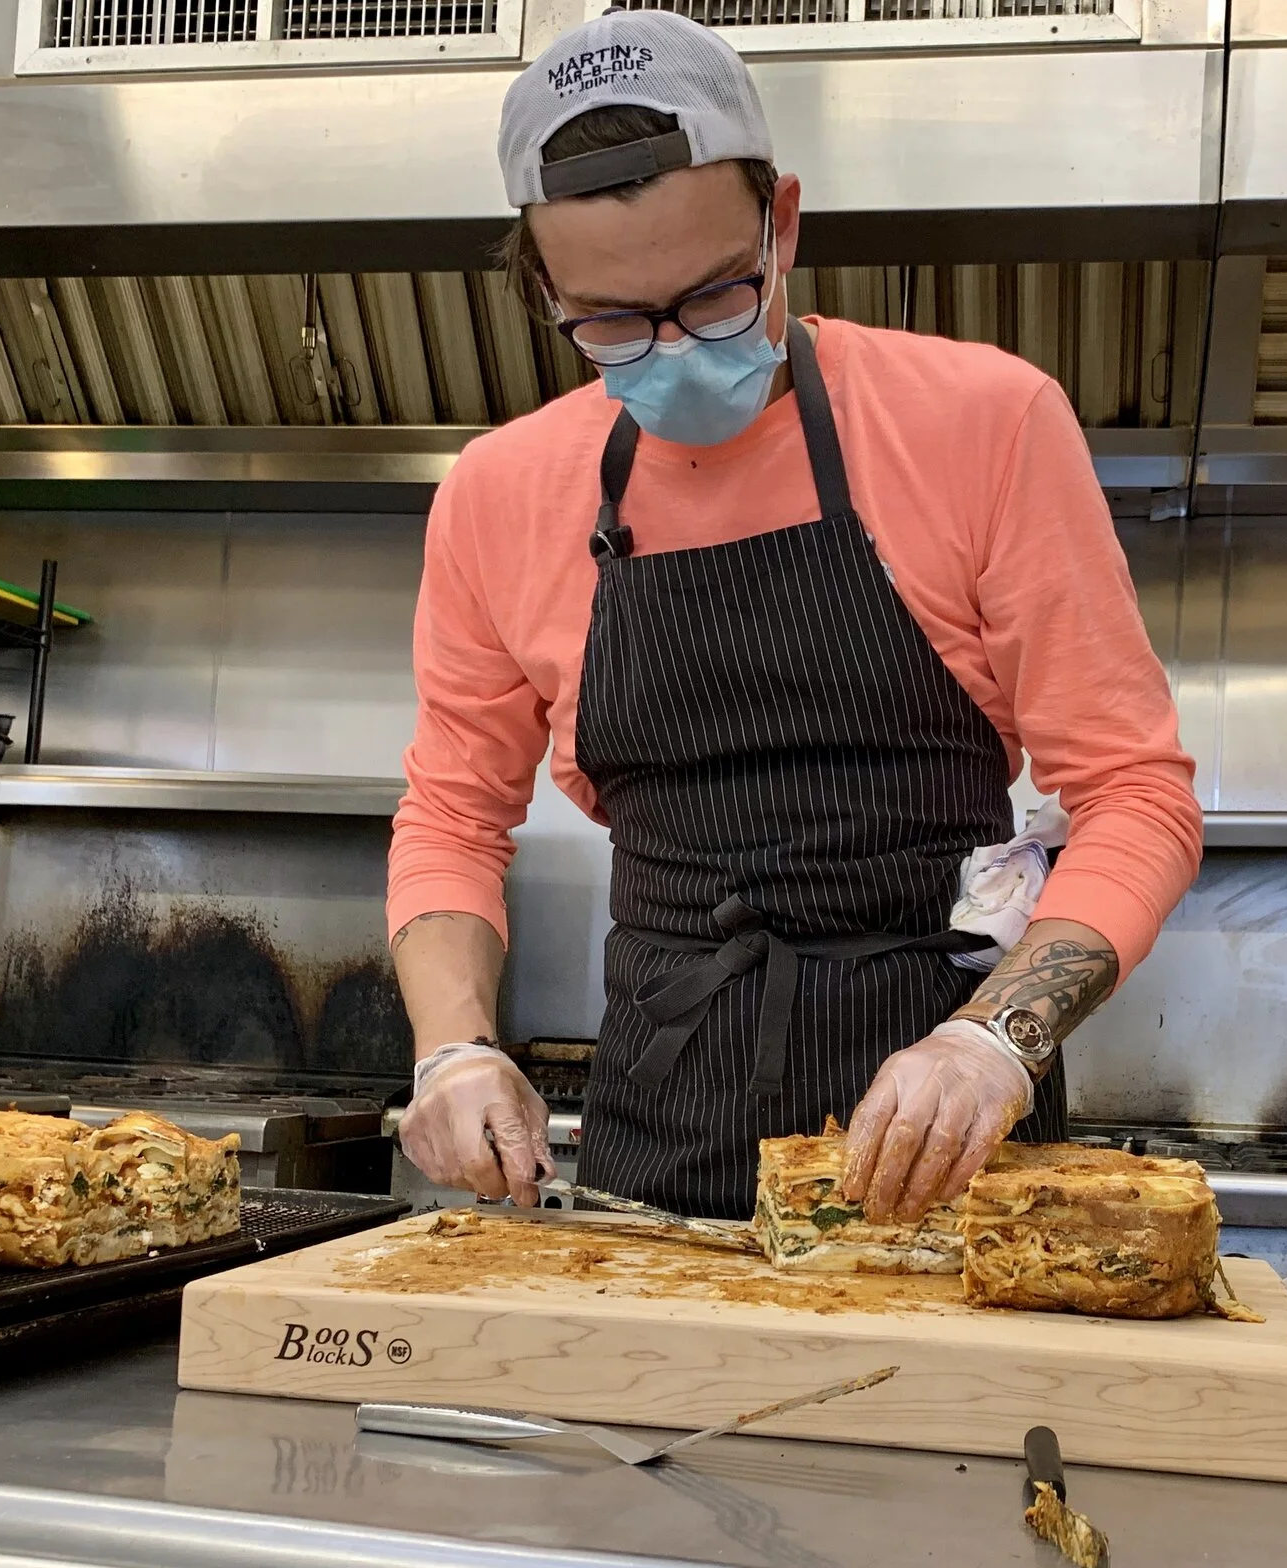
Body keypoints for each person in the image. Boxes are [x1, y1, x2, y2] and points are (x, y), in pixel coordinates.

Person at [390, 9, 1201, 1225]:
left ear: (783, 224)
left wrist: (992, 1045)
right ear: (542, 287)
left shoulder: (981, 421)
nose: (671, 350)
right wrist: (450, 1048)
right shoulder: (499, 494)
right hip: (657, 1124)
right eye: (611, 322)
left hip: (943, 1132)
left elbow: (1135, 792)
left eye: (716, 298)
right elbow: (453, 817)